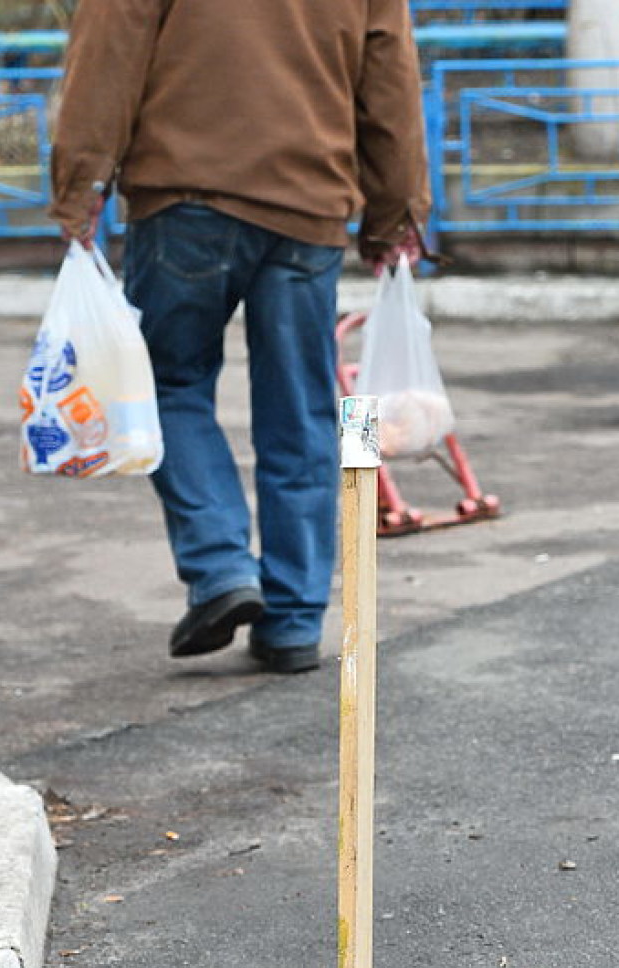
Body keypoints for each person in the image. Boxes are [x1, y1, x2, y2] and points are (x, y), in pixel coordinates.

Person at [49, 0, 429, 674]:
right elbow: (390, 75)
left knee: (165, 384)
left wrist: (82, 187)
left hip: (185, 196)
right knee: (305, 410)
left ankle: (221, 567)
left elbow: (110, 40)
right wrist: (394, 212)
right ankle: (293, 619)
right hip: (310, 205)